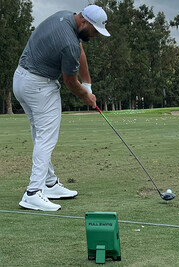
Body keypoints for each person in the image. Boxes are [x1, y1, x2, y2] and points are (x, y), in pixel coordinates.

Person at [13, 5, 110, 211]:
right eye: (94, 31)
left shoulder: (65, 17)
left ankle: (49, 184)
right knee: (46, 138)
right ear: (84, 22)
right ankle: (32, 193)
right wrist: (86, 96)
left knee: (40, 135)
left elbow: (80, 51)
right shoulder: (69, 43)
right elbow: (69, 81)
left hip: (21, 80)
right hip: (39, 86)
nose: (94, 36)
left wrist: (89, 85)